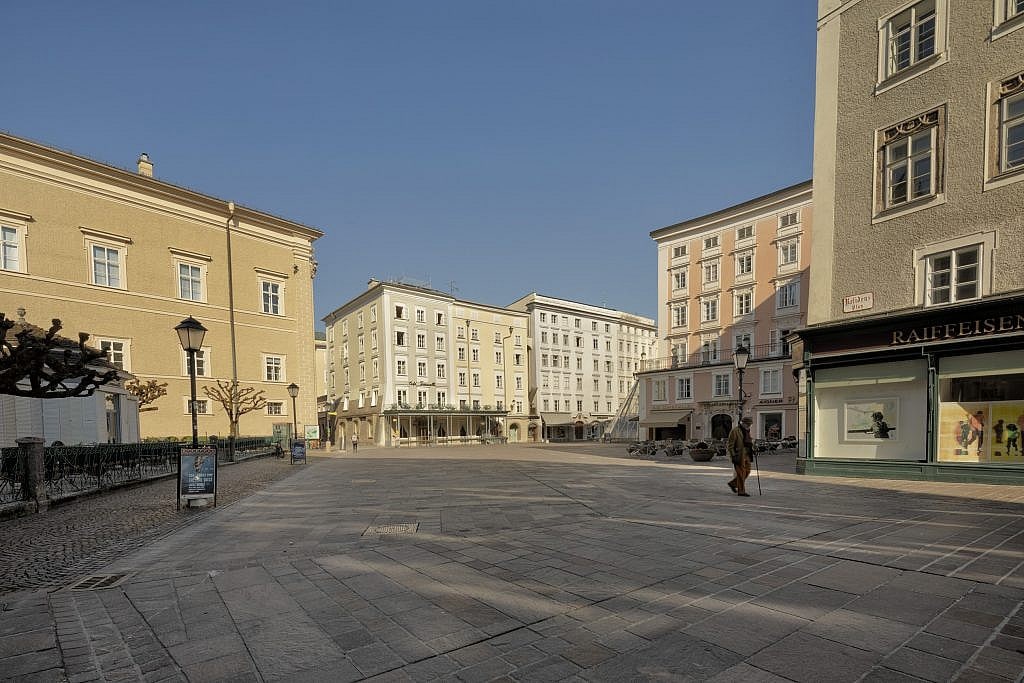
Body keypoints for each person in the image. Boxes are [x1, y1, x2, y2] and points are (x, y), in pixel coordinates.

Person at [726, 416, 754, 497]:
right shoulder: (735, 431)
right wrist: (733, 456)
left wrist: (753, 447)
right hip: (738, 455)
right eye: (748, 424)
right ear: (743, 423)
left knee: (747, 471)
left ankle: (733, 484)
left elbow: (748, 442)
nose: (749, 425)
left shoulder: (747, 431)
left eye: (750, 424)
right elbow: (730, 445)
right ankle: (741, 491)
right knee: (741, 473)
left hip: (747, 454)